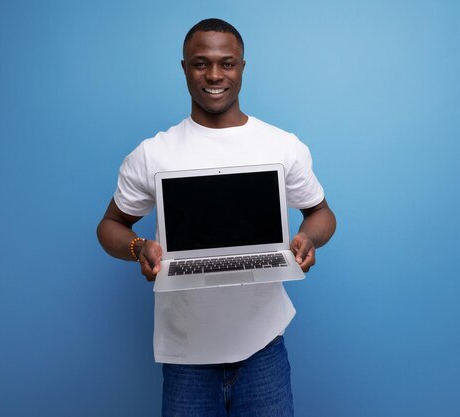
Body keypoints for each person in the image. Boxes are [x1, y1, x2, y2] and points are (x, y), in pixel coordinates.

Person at [97, 18, 336, 416]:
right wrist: (139, 247)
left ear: (242, 67)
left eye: (227, 63)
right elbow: (110, 226)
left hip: (264, 349)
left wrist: (308, 237)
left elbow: (321, 213)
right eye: (200, 63)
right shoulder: (153, 153)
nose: (214, 75)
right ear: (184, 68)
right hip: (185, 356)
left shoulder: (282, 145)